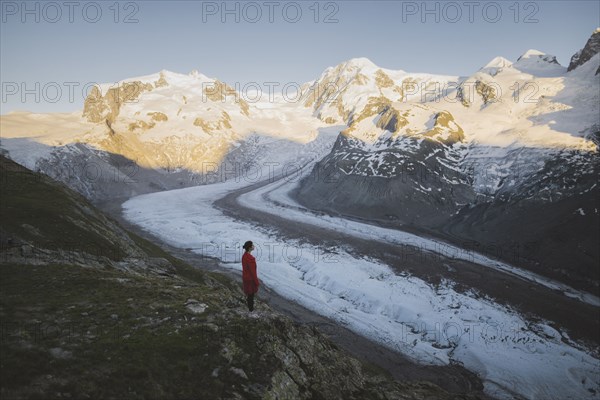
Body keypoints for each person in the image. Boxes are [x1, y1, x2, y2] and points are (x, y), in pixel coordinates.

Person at [241, 240, 259, 312]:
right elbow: (253, 272)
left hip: (246, 278)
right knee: (251, 296)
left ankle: (250, 309)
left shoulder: (244, 256)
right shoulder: (250, 258)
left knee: (249, 295)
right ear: (250, 248)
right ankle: (251, 311)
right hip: (250, 279)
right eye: (252, 245)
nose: (254, 246)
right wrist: (256, 282)